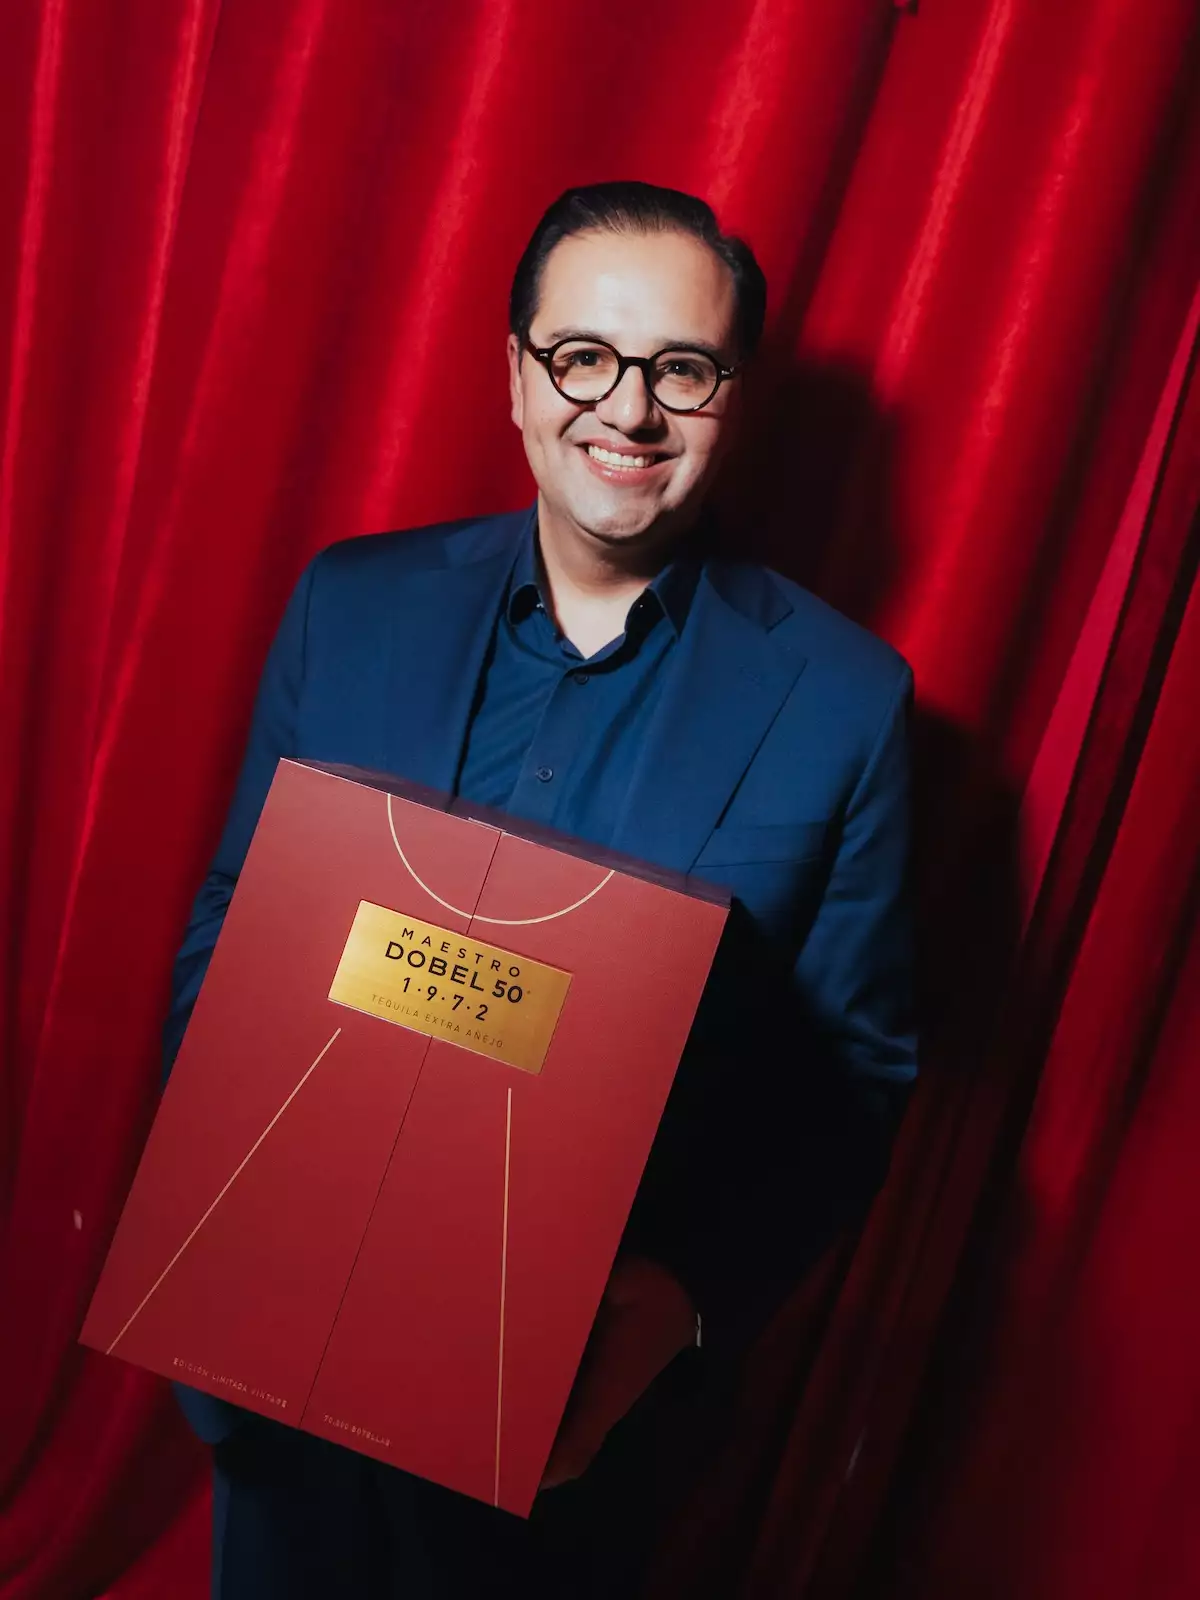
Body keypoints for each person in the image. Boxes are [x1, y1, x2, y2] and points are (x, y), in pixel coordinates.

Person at [164, 181, 916, 1599]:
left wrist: (679, 1307)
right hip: (276, 1373)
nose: (626, 410)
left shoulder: (844, 704)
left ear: (728, 399)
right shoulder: (351, 603)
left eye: (679, 369)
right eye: (584, 356)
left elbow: (855, 1072)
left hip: (570, 1435)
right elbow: (228, 918)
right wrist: (218, 1216)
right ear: (518, 375)